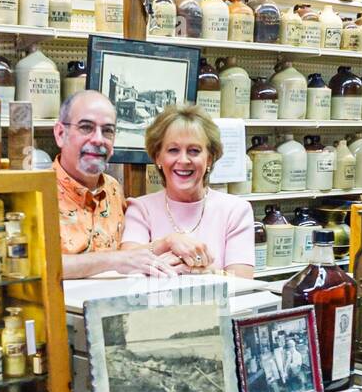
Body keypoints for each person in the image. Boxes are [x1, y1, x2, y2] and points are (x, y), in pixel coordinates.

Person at [52, 91, 213, 279]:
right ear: (60, 134)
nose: (98, 139)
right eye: (86, 128)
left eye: (107, 131)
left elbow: (131, 259)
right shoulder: (36, 192)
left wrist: (167, 243)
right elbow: (35, 266)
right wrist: (115, 260)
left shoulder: (112, 189)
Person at [121, 103, 255, 277]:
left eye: (194, 151)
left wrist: (191, 270)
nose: (183, 160)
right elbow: (126, 264)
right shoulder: (140, 209)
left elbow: (243, 280)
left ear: (210, 158)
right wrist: (168, 242)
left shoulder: (236, 211)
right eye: (173, 150)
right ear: (157, 157)